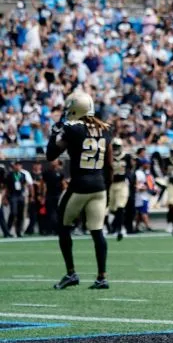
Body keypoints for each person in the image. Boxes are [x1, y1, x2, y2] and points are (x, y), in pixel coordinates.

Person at [47, 91, 113, 290]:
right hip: (100, 187)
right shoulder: (106, 129)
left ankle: (71, 273)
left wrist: (54, 133)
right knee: (97, 231)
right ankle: (102, 277)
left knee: (63, 226)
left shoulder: (72, 130)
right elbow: (110, 166)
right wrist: (108, 190)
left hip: (79, 186)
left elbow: (51, 155)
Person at [107, 138, 132, 241]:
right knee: (112, 208)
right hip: (111, 185)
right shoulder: (108, 156)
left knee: (120, 206)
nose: (116, 149)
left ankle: (120, 229)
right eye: (114, 147)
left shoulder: (126, 156)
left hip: (122, 184)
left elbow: (130, 168)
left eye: (117, 147)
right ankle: (110, 227)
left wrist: (128, 178)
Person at [4, 161, 27, 238]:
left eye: (19, 165)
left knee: (20, 214)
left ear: (21, 166)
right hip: (13, 195)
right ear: (14, 166)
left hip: (20, 195)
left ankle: (18, 231)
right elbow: (6, 187)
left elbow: (24, 185)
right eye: (16, 165)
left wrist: (25, 195)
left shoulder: (23, 175)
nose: (18, 167)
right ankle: (7, 230)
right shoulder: (10, 175)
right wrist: (5, 197)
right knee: (13, 212)